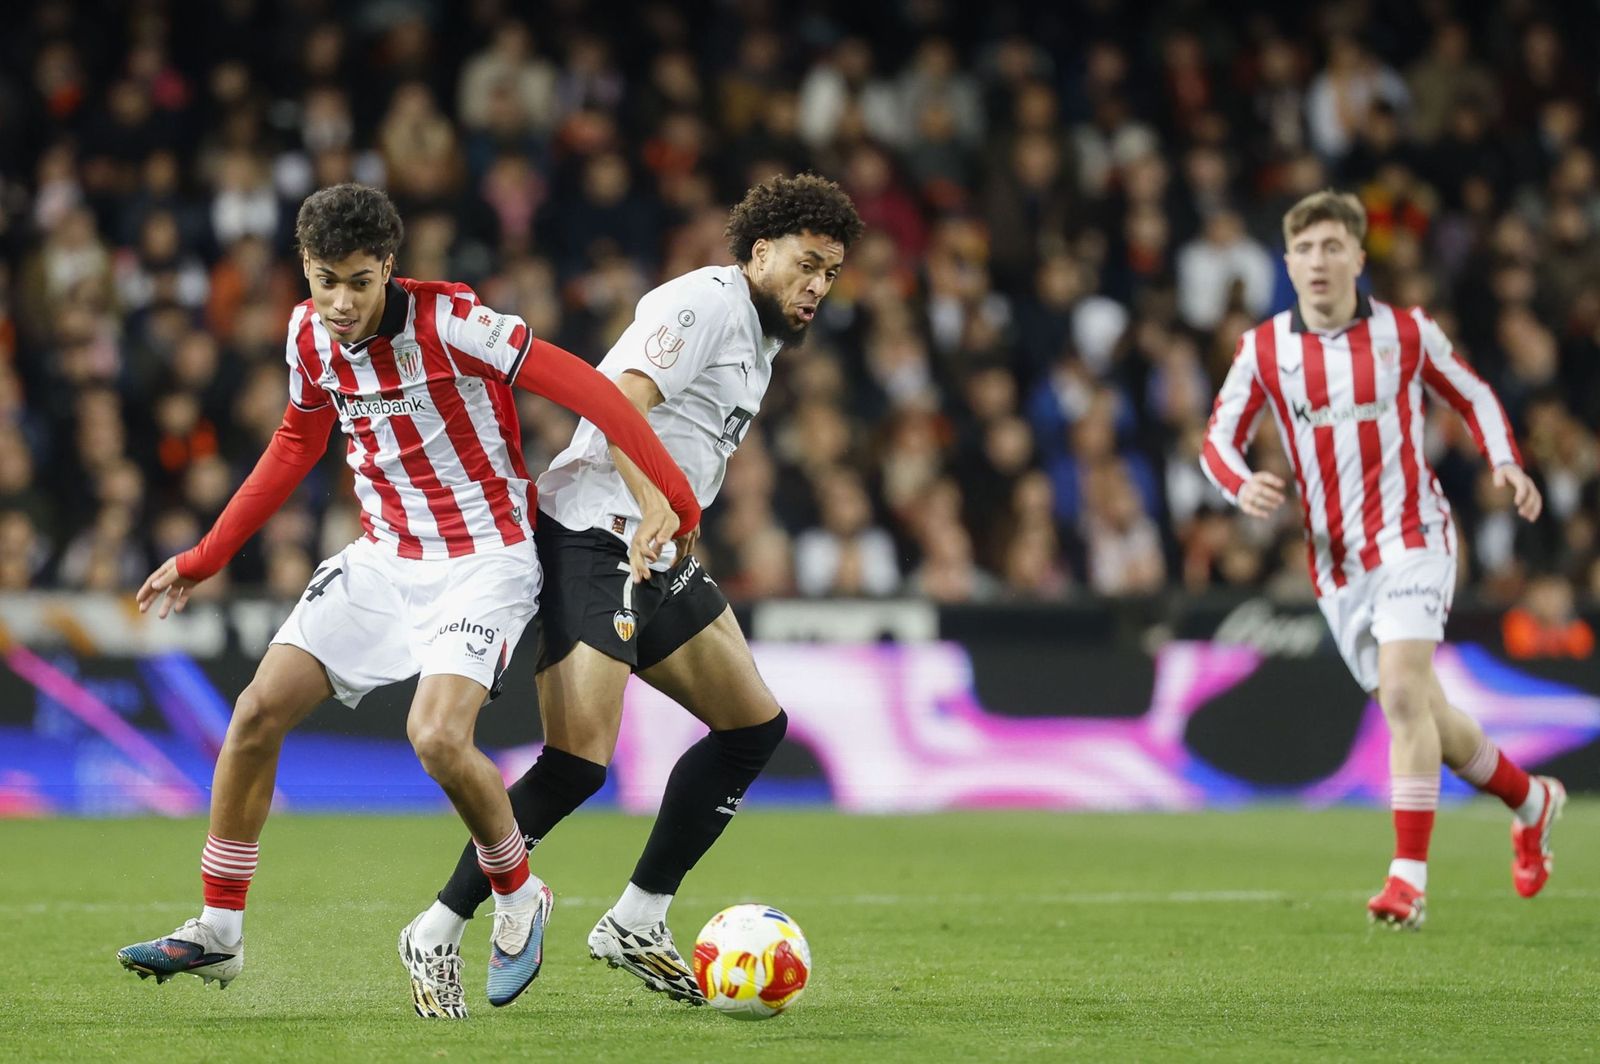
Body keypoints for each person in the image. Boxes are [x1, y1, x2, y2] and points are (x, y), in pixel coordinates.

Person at [115, 184, 701, 1012]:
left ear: (390, 267)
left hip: (486, 559)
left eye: (360, 280)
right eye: (326, 280)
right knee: (254, 713)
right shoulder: (306, 335)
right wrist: (208, 555)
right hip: (385, 558)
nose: (342, 302)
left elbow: (594, 395)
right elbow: (295, 439)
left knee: (434, 736)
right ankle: (218, 930)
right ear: (306, 272)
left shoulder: (457, 324)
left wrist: (666, 496)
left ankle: (518, 893)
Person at [397, 173, 863, 1017]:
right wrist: (653, 503)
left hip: (653, 547)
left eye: (831, 272)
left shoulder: (759, 336)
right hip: (592, 532)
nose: (818, 287)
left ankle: (636, 919)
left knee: (754, 727)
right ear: (760, 251)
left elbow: (686, 443)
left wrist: (675, 516)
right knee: (577, 762)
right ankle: (436, 925)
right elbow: (622, 402)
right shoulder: (707, 303)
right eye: (806, 264)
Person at [1201, 189, 1562, 930]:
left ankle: (1407, 882)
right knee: (1426, 714)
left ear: (1360, 258)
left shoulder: (1406, 333)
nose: (1319, 262)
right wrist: (1242, 486)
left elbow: (1475, 395)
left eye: (1333, 247)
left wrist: (1506, 462)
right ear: (1288, 264)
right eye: (1304, 250)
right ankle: (1532, 800)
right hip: (1338, 567)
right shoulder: (1264, 348)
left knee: (1402, 694)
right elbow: (1215, 445)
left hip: (1415, 536)